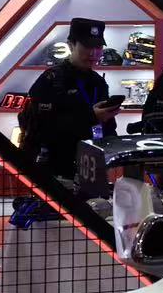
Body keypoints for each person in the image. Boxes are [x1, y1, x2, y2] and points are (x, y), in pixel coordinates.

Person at [19, 17, 119, 182]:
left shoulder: (99, 83)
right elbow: (41, 127)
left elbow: (107, 128)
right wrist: (91, 117)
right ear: (71, 45)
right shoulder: (51, 79)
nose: (93, 53)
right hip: (54, 169)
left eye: (98, 47)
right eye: (87, 46)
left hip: (92, 168)